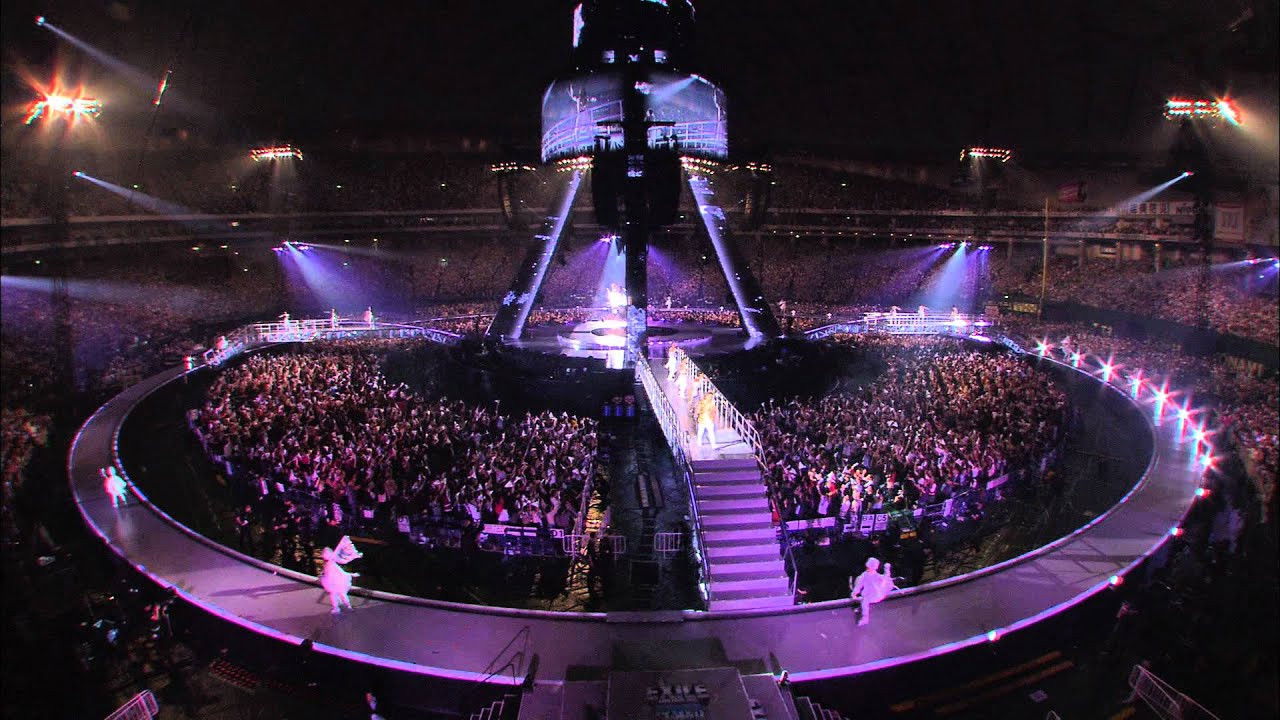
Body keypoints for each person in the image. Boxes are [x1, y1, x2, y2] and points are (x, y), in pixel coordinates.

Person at [320, 535, 362, 614]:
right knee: (338, 594)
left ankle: (343, 607)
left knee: (338, 594)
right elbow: (339, 570)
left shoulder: (330, 564)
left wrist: (351, 574)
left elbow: (341, 571)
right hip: (333, 582)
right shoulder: (330, 564)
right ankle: (343, 607)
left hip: (334, 582)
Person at [850, 557, 896, 626]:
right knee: (864, 601)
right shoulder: (864, 575)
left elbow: (885, 579)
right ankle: (864, 616)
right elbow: (859, 585)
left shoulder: (875, 575)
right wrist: (854, 593)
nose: (869, 568)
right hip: (871, 596)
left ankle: (864, 618)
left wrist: (887, 570)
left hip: (877, 595)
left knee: (865, 601)